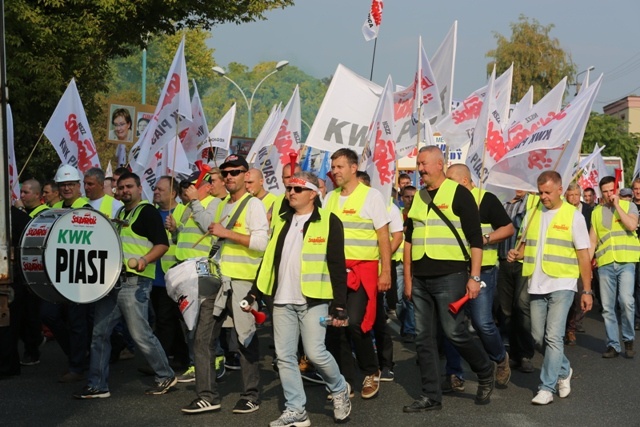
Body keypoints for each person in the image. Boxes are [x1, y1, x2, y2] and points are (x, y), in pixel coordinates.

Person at [243, 171, 352, 426]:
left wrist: (340, 305)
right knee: (284, 357)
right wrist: (255, 292)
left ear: (313, 194)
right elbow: (268, 260)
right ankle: (296, 410)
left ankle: (338, 388)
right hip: (282, 300)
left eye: (298, 189)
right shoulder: (282, 221)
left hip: (314, 299)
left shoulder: (329, 221)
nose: (291, 192)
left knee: (315, 353)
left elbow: (337, 264)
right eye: (289, 188)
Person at [403, 146, 495, 412]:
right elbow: (409, 240)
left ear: (439, 164)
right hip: (420, 278)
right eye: (418, 164)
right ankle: (431, 396)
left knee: (454, 331)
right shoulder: (418, 197)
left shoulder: (459, 194)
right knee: (424, 338)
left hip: (451, 276)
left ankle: (484, 369)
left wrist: (475, 277)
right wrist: (408, 278)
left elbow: (475, 240)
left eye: (423, 164)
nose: (419, 169)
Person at [181, 154, 268, 414]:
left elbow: (261, 243)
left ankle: (251, 394)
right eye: (226, 172)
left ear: (245, 175)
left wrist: (227, 233)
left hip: (241, 281)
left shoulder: (254, 205)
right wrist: (195, 203)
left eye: (235, 172)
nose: (229, 176)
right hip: (217, 280)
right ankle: (207, 395)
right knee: (202, 337)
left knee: (245, 339)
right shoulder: (221, 204)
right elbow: (210, 226)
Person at [74, 172, 173, 399]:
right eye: (121, 187)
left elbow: (162, 244)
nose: (125, 190)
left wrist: (144, 260)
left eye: (129, 186)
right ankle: (98, 385)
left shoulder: (147, 212)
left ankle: (165, 374)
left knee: (141, 335)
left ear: (139, 188)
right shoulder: (120, 212)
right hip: (114, 283)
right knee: (100, 334)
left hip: (135, 282)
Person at [508, 170, 592, 405]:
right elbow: (527, 246)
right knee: (537, 337)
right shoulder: (533, 213)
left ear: (559, 189)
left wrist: (586, 290)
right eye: (540, 192)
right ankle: (564, 370)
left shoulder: (573, 216)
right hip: (536, 283)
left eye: (547, 192)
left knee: (553, 337)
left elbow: (583, 255)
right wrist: (517, 253)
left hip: (563, 283)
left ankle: (546, 387)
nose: (543, 196)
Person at [324, 148, 392, 400]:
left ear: (354, 168)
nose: (335, 171)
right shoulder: (329, 198)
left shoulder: (371, 196)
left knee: (354, 323)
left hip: (363, 271)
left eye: (340, 166)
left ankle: (371, 371)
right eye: (333, 167)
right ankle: (345, 382)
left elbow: (383, 235)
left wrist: (385, 271)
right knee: (335, 327)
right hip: (334, 274)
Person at [443, 164, 514, 391]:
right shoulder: (447, 201)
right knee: (453, 325)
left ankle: (500, 358)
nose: (446, 185)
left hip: (483, 270)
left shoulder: (486, 199)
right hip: (454, 269)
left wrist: (483, 238)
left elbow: (508, 229)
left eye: (450, 180)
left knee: (482, 322)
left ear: (464, 181)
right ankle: (454, 373)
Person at [166, 170, 221, 382]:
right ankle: (198, 362)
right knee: (188, 321)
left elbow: (209, 226)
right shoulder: (188, 207)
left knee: (200, 322)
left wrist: (196, 202)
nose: (188, 190)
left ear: (206, 186)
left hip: (200, 269)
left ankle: (212, 361)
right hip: (184, 267)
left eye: (193, 186)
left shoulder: (214, 203)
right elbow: (182, 237)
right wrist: (174, 230)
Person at [42, 165, 92, 383]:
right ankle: (77, 354)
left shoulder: (86, 207)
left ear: (78, 185)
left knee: (78, 320)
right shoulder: (57, 208)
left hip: (79, 272)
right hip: (59, 271)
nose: (67, 188)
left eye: (70, 184)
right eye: (63, 185)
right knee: (48, 314)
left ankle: (77, 365)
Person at [590, 176, 639, 358]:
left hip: (626, 261)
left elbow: (632, 225)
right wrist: (586, 268)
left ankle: (628, 339)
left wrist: (618, 206)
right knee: (607, 306)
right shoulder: (596, 212)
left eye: (612, 190)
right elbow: (592, 241)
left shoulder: (629, 206)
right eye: (605, 191)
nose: (609, 194)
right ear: (600, 193)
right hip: (605, 263)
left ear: (617, 189)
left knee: (626, 301)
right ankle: (613, 344)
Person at [151, 176, 190, 373]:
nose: (156, 192)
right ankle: (181, 356)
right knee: (166, 318)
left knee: (169, 319)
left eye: (161, 189)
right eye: (155, 188)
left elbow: (192, 239)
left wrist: (177, 230)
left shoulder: (184, 211)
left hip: (177, 273)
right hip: (156, 274)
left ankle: (162, 361)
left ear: (173, 193)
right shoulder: (151, 213)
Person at [498, 190, 536, 374]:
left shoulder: (533, 203)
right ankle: (513, 353)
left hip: (523, 261)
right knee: (506, 310)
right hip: (504, 260)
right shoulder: (504, 203)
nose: (518, 188)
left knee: (521, 306)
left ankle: (526, 354)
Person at [18, 179, 48, 366]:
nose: (22, 196)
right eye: (21, 192)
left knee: (32, 312)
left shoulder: (43, 215)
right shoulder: (22, 213)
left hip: (36, 270)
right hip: (21, 269)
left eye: (26, 192)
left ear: (38, 195)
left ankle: (33, 348)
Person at [564, 183, 593, 345]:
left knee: (581, 294)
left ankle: (572, 328)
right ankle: (564, 326)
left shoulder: (589, 211)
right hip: (566, 258)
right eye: (571, 195)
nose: (574, 198)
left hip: (583, 257)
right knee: (566, 295)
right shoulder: (562, 211)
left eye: (576, 195)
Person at [397, 185, 417, 343]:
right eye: (407, 197)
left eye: (413, 197)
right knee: (398, 299)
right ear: (401, 198)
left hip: (413, 260)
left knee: (410, 297)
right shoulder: (396, 214)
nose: (410, 200)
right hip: (398, 261)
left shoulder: (418, 214)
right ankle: (405, 322)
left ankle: (410, 328)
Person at [632, 178, 640, 331]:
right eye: (636, 188)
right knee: (636, 285)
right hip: (632, 251)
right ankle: (637, 317)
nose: (638, 191)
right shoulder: (628, 206)